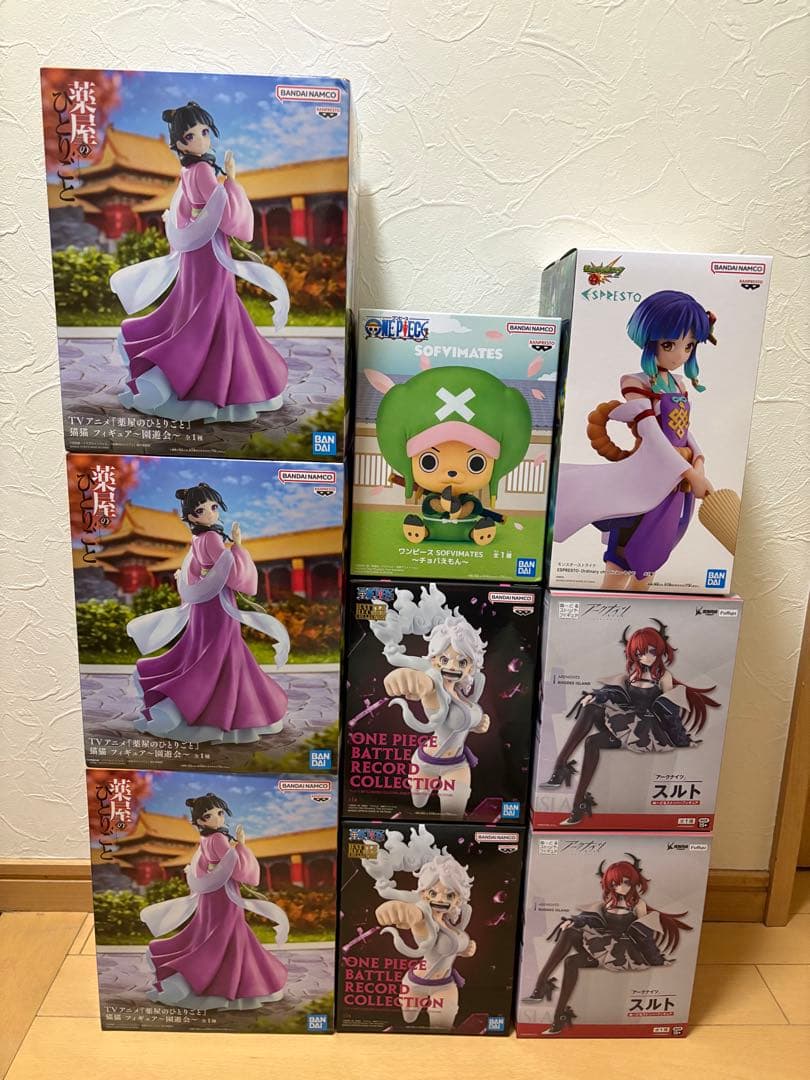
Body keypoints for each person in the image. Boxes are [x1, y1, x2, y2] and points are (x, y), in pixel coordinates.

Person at [110, 101, 290, 422]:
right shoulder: (204, 170)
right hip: (210, 251)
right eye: (191, 136)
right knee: (213, 311)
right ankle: (198, 382)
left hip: (195, 251)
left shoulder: (188, 170)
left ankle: (199, 378)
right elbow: (228, 216)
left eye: (205, 132)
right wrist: (232, 181)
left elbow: (186, 210)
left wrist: (194, 220)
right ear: (180, 143)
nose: (202, 140)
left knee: (199, 308)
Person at [554, 291, 717, 589]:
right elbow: (652, 434)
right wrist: (691, 473)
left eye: (689, 346)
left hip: (674, 483)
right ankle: (606, 607)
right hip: (648, 477)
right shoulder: (636, 382)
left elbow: (684, 431)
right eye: (669, 344)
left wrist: (699, 460)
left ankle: (640, 604)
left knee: (656, 550)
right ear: (650, 339)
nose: (679, 355)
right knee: (626, 548)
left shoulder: (679, 384)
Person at [127, 482, 289, 743]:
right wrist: (238, 547)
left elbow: (194, 570)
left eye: (214, 507)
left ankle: (202, 709)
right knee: (220, 655)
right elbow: (234, 575)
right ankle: (203, 711)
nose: (211, 513)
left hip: (203, 605)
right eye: (202, 510)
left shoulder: (198, 538)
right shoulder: (212, 538)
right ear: (192, 517)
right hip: (218, 604)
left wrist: (195, 579)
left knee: (208, 652)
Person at [140, 792, 289, 1011]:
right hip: (224, 896)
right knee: (226, 936)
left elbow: (204, 866)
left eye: (220, 813)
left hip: (210, 896)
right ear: (200, 821)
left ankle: (216, 982)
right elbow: (237, 868)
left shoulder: (206, 839)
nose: (218, 818)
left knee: (214, 934)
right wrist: (242, 846)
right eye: (210, 815)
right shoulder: (218, 838)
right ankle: (219, 984)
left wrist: (217, 865)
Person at [523, 856, 690, 1035]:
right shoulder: (607, 903)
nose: (621, 887)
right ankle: (540, 986)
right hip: (599, 946)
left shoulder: (638, 905)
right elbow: (591, 919)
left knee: (570, 961)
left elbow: (644, 934)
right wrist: (573, 921)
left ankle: (557, 1019)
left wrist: (656, 959)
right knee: (569, 932)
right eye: (615, 883)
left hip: (620, 953)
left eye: (626, 882)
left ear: (634, 881)